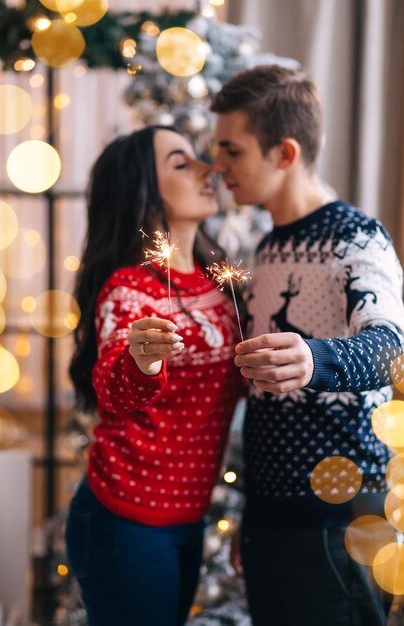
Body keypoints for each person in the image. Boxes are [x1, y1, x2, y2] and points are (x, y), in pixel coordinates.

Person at [210, 64, 404, 626]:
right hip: (274, 522)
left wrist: (314, 358)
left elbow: (390, 348)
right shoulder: (268, 248)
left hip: (337, 525)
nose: (217, 166)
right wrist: (256, 512)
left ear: (285, 154)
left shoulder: (356, 237)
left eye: (233, 150)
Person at [65, 126, 243, 626]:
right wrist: (141, 361)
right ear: (142, 190)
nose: (208, 169)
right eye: (181, 163)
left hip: (188, 514)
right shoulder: (130, 289)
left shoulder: (216, 281)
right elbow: (113, 388)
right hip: (128, 516)